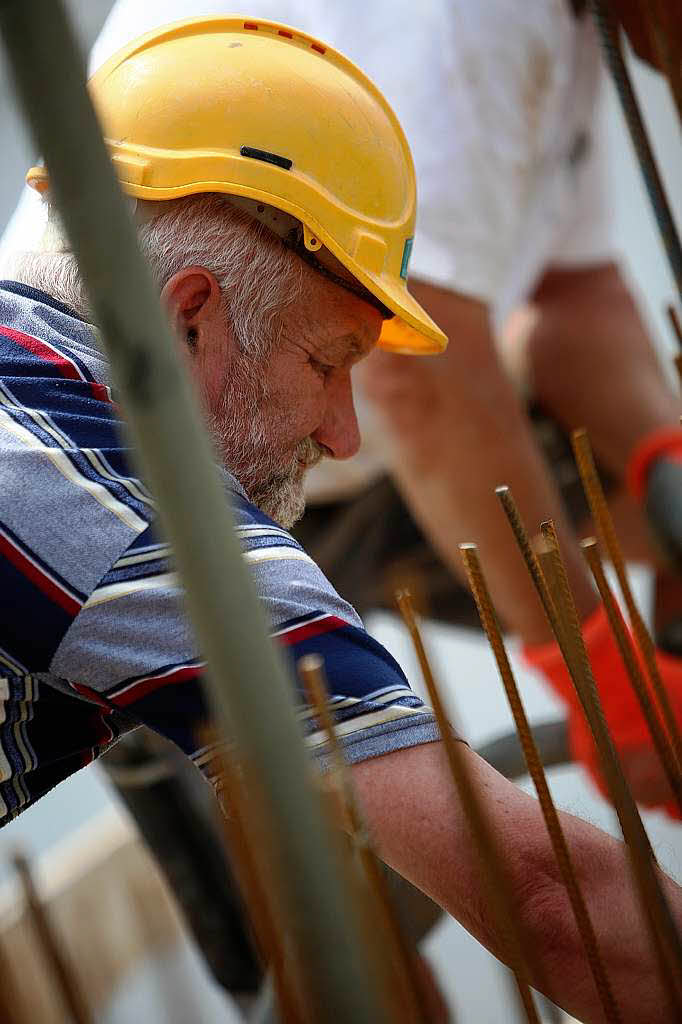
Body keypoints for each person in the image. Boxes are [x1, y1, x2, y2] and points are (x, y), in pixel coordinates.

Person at [1, 17, 681, 1021]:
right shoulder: (141, 532)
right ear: (191, 314)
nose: (343, 432)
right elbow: (541, 890)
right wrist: (586, 648)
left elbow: (577, 298)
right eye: (328, 363)